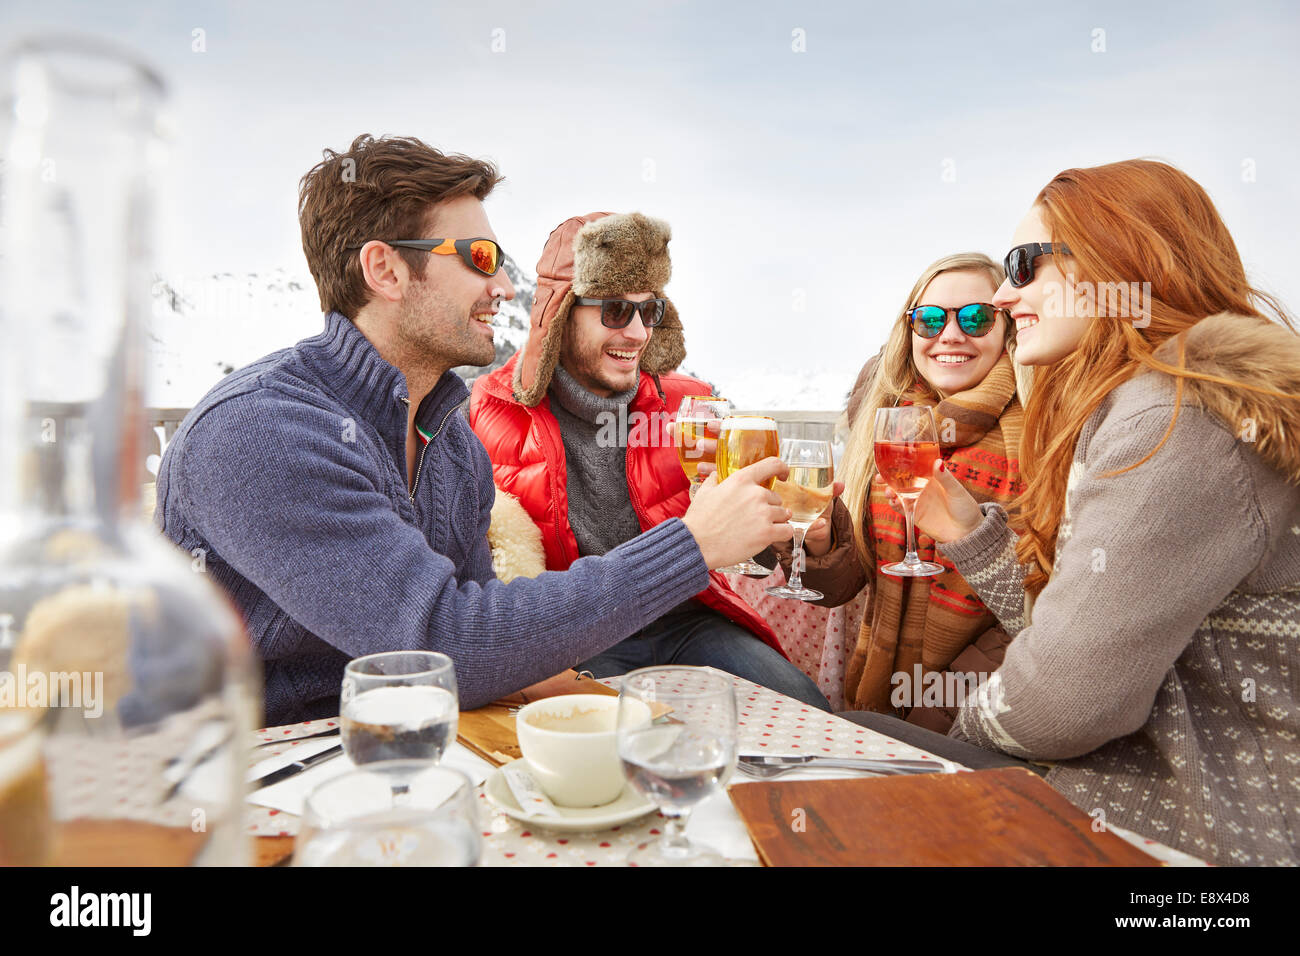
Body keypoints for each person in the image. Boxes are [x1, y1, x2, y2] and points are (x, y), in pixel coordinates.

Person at [154, 136, 794, 726]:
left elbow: (487, 626)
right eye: (482, 258)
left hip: (405, 737)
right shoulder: (263, 432)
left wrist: (629, 722)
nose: (505, 287)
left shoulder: (449, 441)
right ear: (386, 270)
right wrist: (690, 546)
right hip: (249, 772)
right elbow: (440, 643)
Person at [881, 159, 1300, 865]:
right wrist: (971, 537)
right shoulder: (1152, 401)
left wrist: (960, 723)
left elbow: (1063, 705)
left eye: (1024, 265)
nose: (1009, 295)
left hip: (1184, 817)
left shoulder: (1176, 420)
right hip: (1141, 775)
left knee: (829, 748)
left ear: (1119, 259)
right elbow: (1085, 635)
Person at [469, 211, 829, 710]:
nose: (637, 333)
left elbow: (744, 534)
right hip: (579, 633)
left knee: (799, 705)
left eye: (649, 310)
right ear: (559, 313)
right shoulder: (487, 411)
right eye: (615, 310)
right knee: (617, 735)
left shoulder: (692, 404)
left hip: (689, 617)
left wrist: (793, 534)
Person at [769, 254, 1026, 730]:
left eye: (976, 318)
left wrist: (940, 705)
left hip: (992, 698)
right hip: (885, 693)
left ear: (1007, 327)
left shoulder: (1036, 425)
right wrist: (821, 544)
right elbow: (851, 586)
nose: (950, 335)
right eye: (929, 319)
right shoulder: (890, 420)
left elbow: (1041, 606)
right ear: (908, 332)